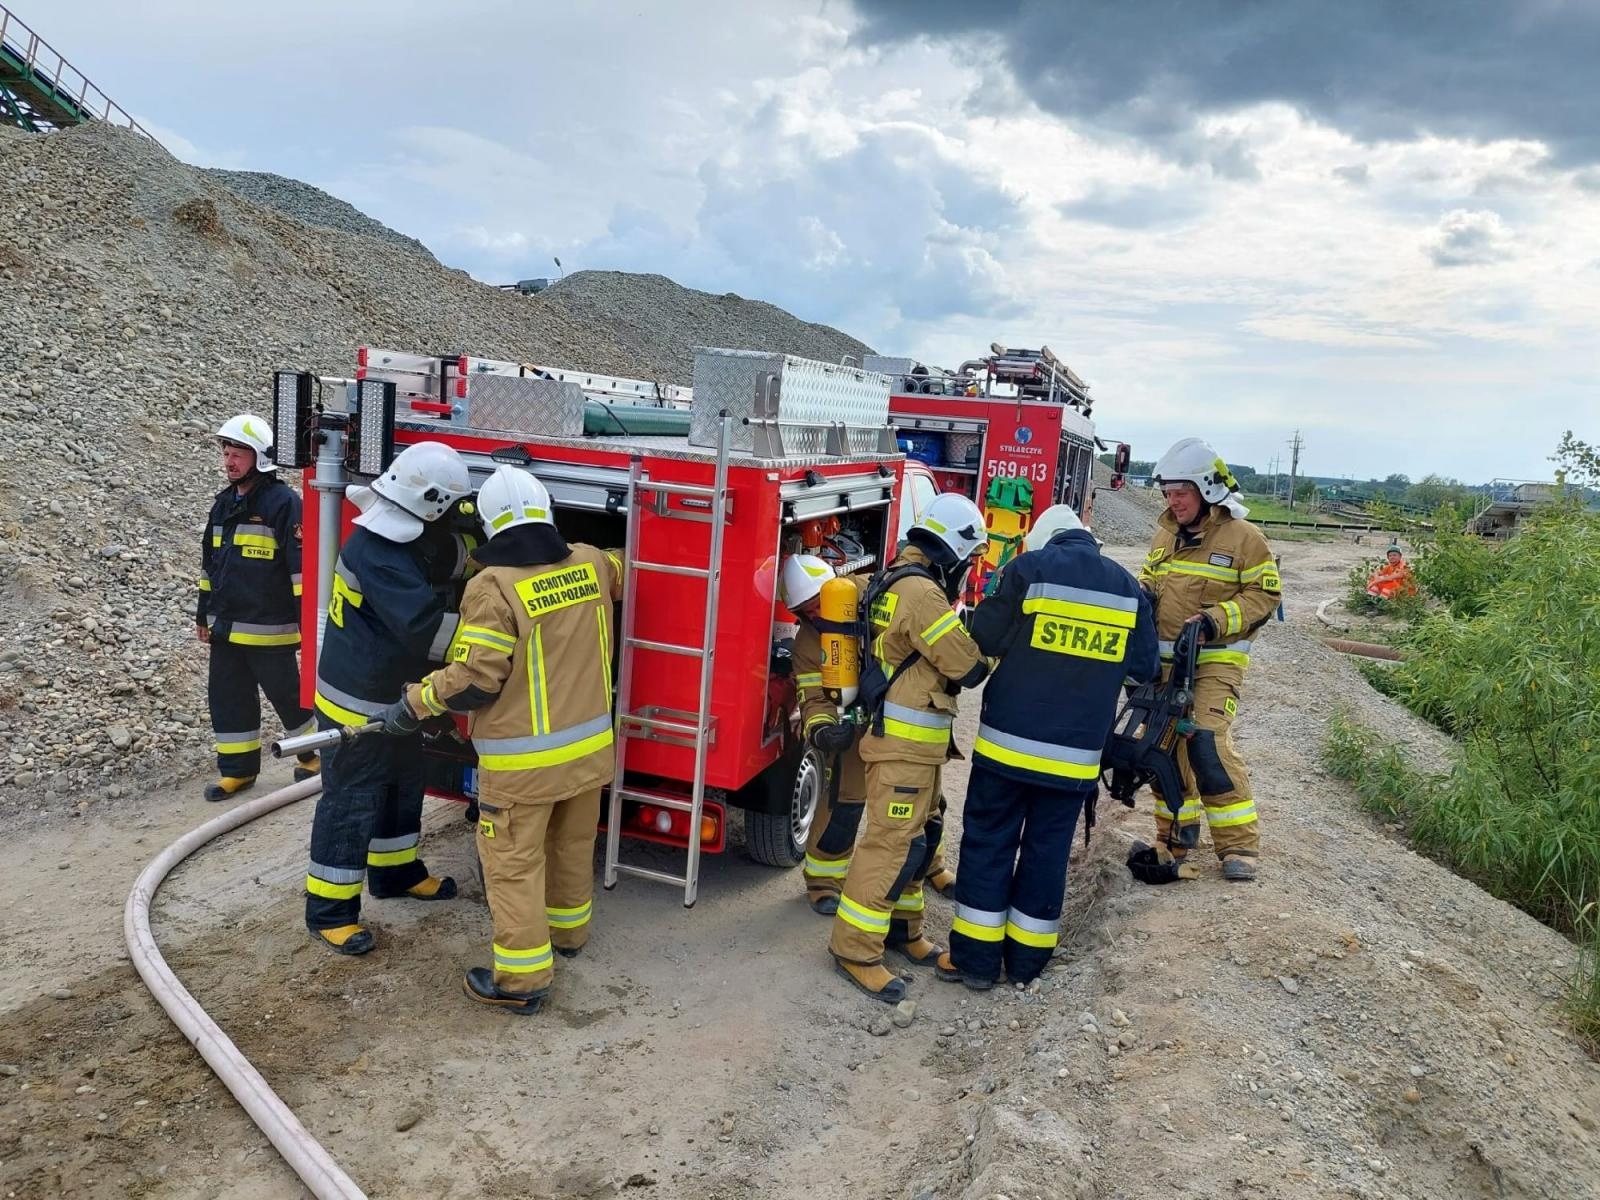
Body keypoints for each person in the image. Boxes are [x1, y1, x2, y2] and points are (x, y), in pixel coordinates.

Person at [387, 466, 624, 1013]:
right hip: (589, 756)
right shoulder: (590, 562)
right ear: (547, 510)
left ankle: (521, 981)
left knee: (514, 865)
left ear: (490, 525)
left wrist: (415, 702)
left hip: (523, 767)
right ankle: (568, 937)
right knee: (569, 848)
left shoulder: (492, 587)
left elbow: (475, 678)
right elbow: (623, 568)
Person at [939, 504, 1158, 989]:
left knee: (989, 844)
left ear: (1045, 540)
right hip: (1074, 762)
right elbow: (1145, 667)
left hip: (1005, 751)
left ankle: (975, 963)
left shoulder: (1027, 569)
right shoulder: (1126, 588)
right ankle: (1026, 965)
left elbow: (984, 637)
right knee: (1046, 854)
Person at [303, 441, 471, 955]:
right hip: (360, 704)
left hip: (393, 696)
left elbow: (443, 554)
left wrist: (480, 556)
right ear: (433, 503)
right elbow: (426, 631)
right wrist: (495, 641)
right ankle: (329, 910)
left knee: (402, 785)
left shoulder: (394, 534)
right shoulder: (381, 554)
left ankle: (396, 872)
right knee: (351, 803)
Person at [828, 494, 990, 1003]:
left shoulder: (893, 578)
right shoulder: (922, 595)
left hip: (915, 746)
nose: (968, 570)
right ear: (953, 551)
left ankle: (903, 932)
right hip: (903, 745)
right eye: (969, 559)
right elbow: (969, 666)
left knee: (921, 836)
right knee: (892, 844)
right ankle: (855, 949)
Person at [784, 554, 964, 917]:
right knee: (843, 807)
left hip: (905, 721)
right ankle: (823, 881)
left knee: (927, 801)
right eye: (807, 611)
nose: (818, 615)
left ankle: (933, 866)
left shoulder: (879, 596)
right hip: (853, 727)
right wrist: (822, 729)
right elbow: (812, 694)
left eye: (821, 603)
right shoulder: (808, 640)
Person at [1139, 439, 1283, 882]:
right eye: (1167, 493)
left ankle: (1238, 846)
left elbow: (1266, 594)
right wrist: (1141, 596)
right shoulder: (1164, 533)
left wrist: (1216, 620)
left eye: (1180, 492)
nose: (1172, 500)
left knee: (1206, 740)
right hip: (1164, 665)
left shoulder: (1245, 538)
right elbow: (1150, 578)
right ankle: (1175, 838)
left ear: (1206, 489)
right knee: (1161, 748)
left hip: (1215, 662)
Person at [196, 414, 316, 802]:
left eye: (238, 454)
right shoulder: (224, 504)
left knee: (287, 695)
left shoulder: (283, 503)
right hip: (227, 625)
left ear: (260, 457)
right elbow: (209, 565)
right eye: (227, 453)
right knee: (227, 697)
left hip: (270, 626)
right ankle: (238, 771)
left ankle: (314, 757)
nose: (229, 462)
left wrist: (307, 625)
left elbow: (301, 570)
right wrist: (203, 613)